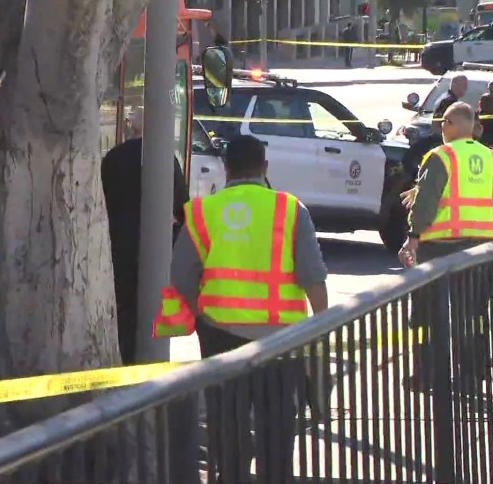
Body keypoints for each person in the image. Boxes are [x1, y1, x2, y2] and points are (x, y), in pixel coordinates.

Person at [154, 134, 328, 483]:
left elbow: (182, 277)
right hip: (282, 339)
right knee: (277, 432)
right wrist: (320, 333)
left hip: (220, 338)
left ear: (226, 168)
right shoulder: (291, 209)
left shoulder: (204, 212)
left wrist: (194, 318)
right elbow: (313, 279)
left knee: (227, 429)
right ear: (265, 167)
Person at [398, 103, 493, 390]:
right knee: (471, 313)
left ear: (451, 124)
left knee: (426, 313)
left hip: (440, 244)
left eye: (443, 123)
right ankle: (470, 376)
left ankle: (427, 375)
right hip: (480, 244)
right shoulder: (491, 158)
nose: (441, 129)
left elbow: (428, 201)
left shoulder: (440, 156)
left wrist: (413, 236)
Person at [101, 108, 189, 366]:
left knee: (124, 311)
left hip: (117, 247)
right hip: (154, 249)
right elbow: (182, 208)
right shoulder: (164, 159)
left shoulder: (114, 157)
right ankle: (148, 364)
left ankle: (125, 360)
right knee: (150, 310)